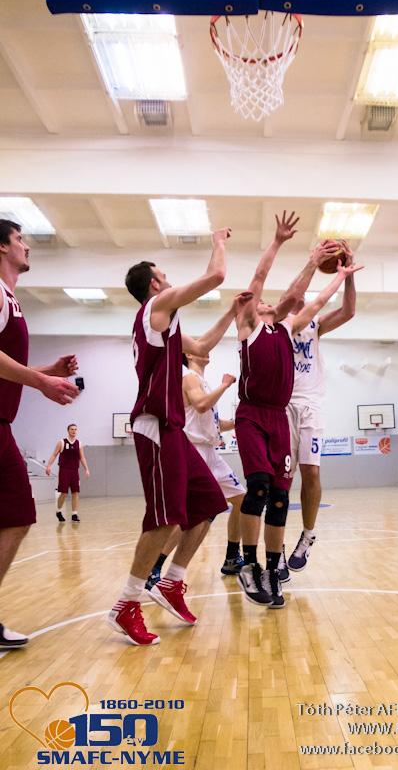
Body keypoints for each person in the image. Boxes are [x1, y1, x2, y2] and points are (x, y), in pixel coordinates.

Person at [107, 228, 249, 646]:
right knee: (163, 518)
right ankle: (126, 603)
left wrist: (232, 312)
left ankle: (172, 582)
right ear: (154, 284)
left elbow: (202, 344)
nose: (169, 280)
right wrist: (219, 242)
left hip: (174, 430)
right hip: (154, 425)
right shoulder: (155, 307)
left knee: (208, 503)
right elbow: (216, 276)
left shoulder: (166, 323)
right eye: (164, 276)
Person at [235, 213, 357, 608]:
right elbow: (271, 284)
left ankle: (280, 562)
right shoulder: (253, 324)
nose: (270, 302)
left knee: (284, 492)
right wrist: (282, 245)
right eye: (264, 301)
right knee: (259, 486)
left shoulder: (293, 327)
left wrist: (343, 275)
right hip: (263, 410)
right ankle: (249, 563)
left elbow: (317, 301)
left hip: (292, 410)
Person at [0, 219, 79, 649]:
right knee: (17, 515)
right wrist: (42, 382)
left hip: (3, 425)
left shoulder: (11, 299)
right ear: (1, 247)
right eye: (19, 239)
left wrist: (48, 371)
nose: (26, 246)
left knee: (15, 516)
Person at [280, 241, 362, 579]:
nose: (301, 295)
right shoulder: (278, 322)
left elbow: (349, 311)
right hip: (284, 405)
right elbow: (298, 295)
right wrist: (314, 264)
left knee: (311, 473)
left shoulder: (315, 325)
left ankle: (307, 535)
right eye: (297, 292)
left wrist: (348, 276)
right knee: (283, 478)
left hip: (311, 404)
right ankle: (276, 547)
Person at [145, 350, 246, 589]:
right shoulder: (188, 377)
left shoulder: (202, 382)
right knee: (192, 516)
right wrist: (224, 385)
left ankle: (232, 557)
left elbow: (214, 422)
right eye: (199, 346)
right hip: (194, 450)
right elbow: (201, 405)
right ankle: (154, 567)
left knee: (242, 499)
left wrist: (241, 422)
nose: (207, 349)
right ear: (189, 354)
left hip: (211, 452)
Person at [46, 424, 90, 522]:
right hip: (64, 470)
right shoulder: (62, 442)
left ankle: (74, 514)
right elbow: (54, 454)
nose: (74, 431)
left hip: (75, 471)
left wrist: (86, 469)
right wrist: (48, 465)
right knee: (64, 493)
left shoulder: (79, 443)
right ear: (68, 430)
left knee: (75, 493)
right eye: (72, 429)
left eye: (75, 429)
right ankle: (58, 511)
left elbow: (82, 457)